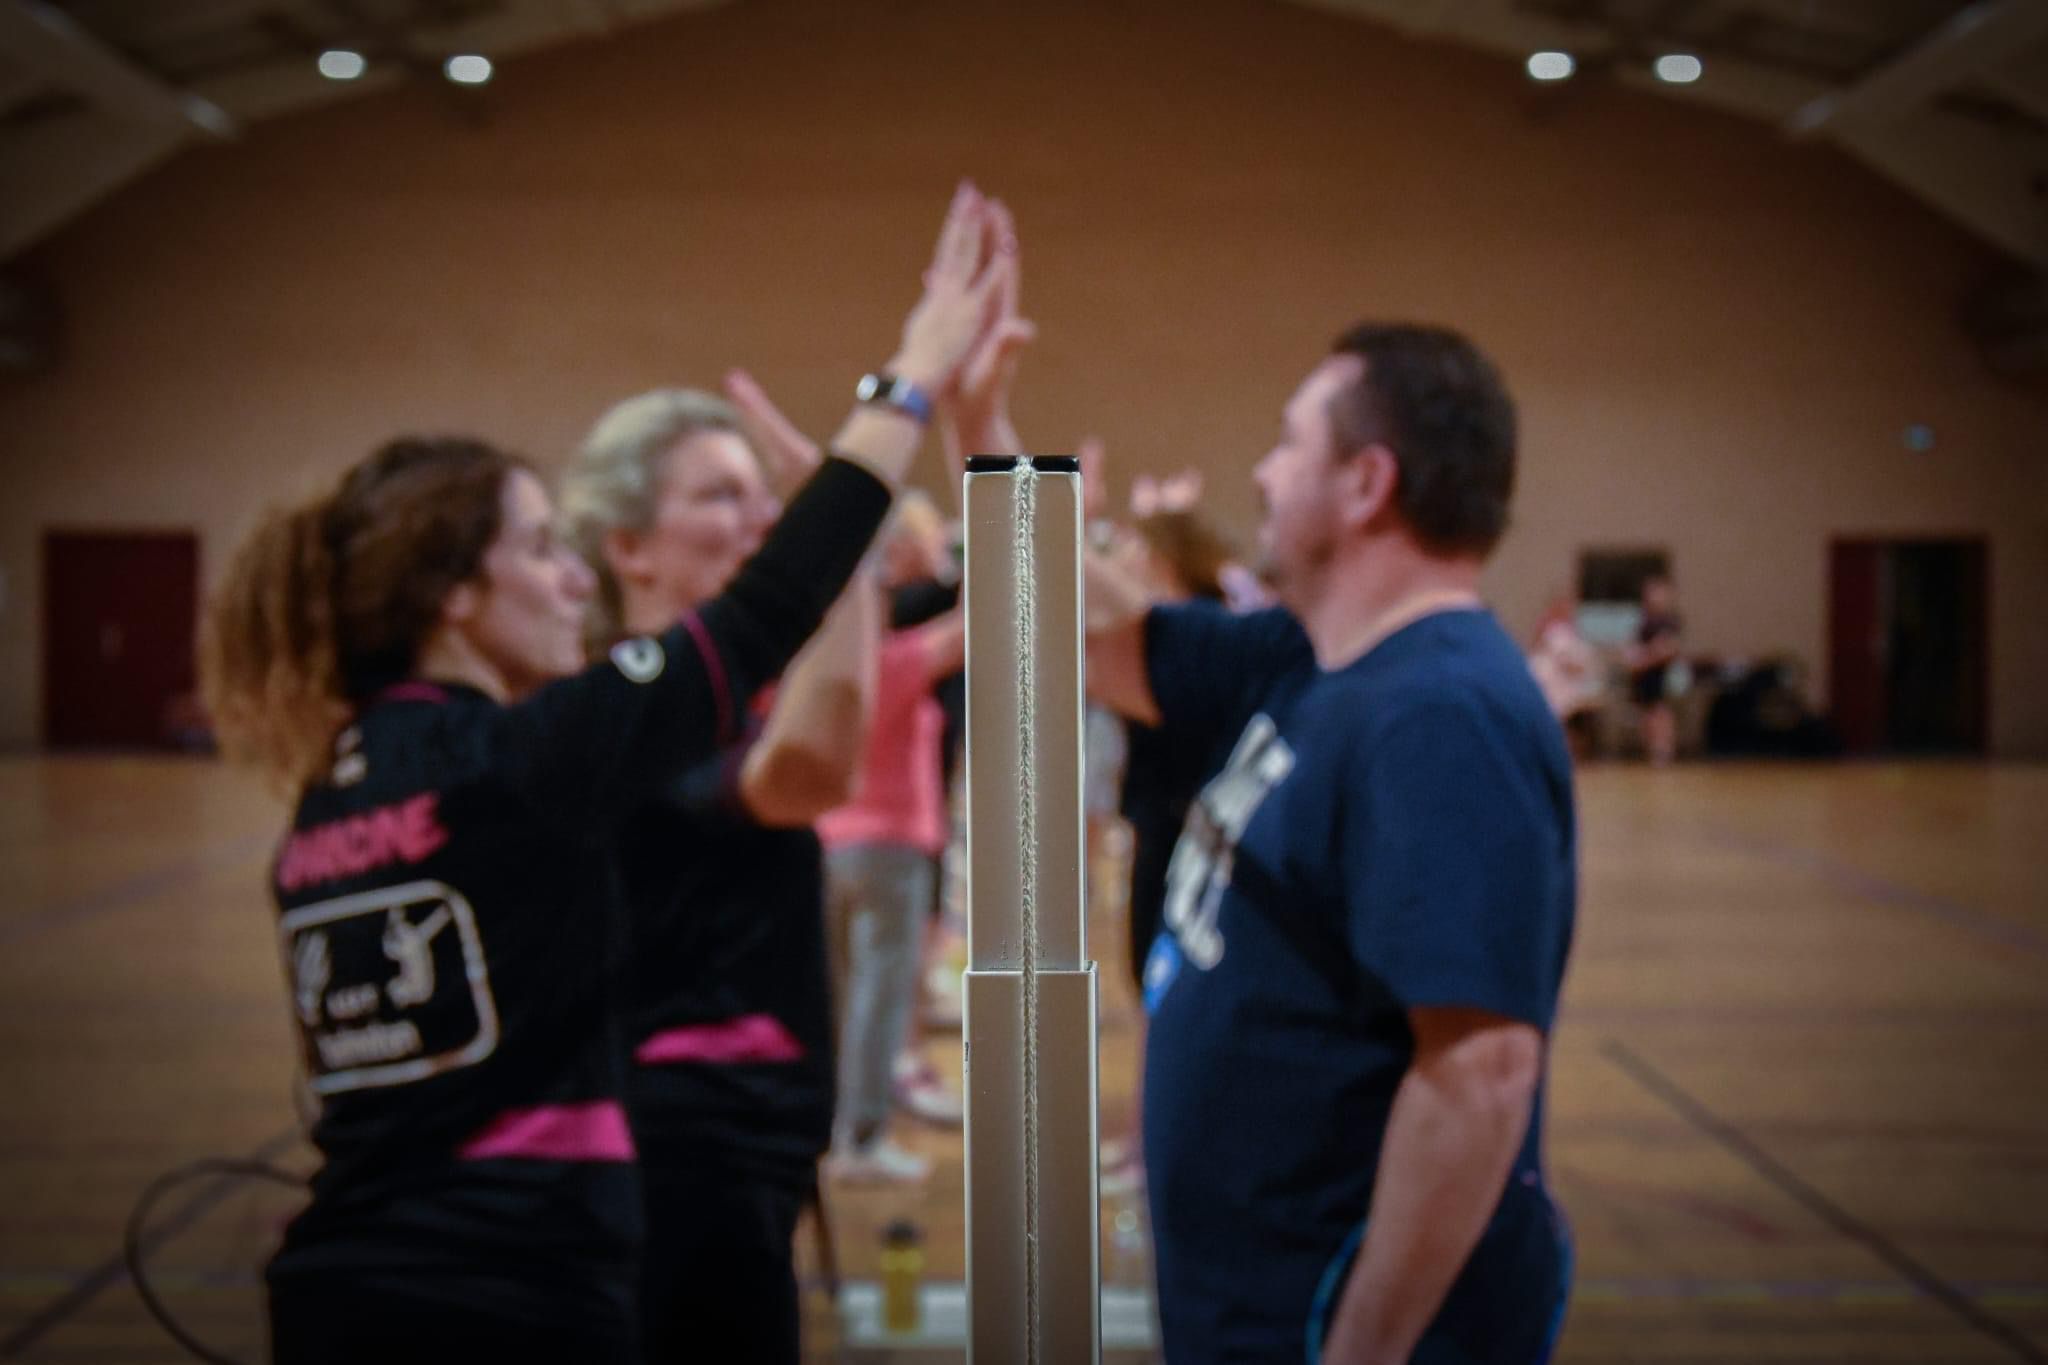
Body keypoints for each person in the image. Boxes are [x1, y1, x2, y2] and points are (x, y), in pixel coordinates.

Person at [200, 180, 1015, 1364]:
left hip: (355, 1277)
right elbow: (764, 615)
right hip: (508, 1288)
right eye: (540, 548)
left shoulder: (328, 802)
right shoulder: (521, 760)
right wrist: (911, 375)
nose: (571, 576)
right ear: (453, 595)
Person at [1085, 324, 1577, 1364]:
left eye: (1288, 443)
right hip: (1248, 1295)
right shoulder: (1311, 660)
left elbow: (1480, 1071)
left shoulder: (1441, 714)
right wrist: (973, 419)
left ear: (1365, 484)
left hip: (1318, 1319)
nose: (1262, 473)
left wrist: (1361, 1349)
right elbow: (1099, 639)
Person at [558, 375, 873, 1363]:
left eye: (763, 495)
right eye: (719, 495)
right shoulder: (630, 712)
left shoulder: (708, 704)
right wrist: (842, 540)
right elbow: (810, 769)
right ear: (629, 547)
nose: (760, 519)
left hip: (734, 1139)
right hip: (683, 1140)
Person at [818, 494, 965, 1184]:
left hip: (831, 847)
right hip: (890, 851)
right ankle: (861, 1139)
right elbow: (977, 622)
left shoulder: (824, 674)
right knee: (879, 1003)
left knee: (844, 1000)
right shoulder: (897, 663)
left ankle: (835, 1132)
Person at [1628, 573, 1683, 765]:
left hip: (1661, 674)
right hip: (1645, 676)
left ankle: (1663, 750)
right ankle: (1652, 749)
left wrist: (1646, 659)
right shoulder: (1645, 621)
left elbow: (1668, 648)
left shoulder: (1669, 621)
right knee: (1647, 714)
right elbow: (1635, 646)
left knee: (1660, 712)